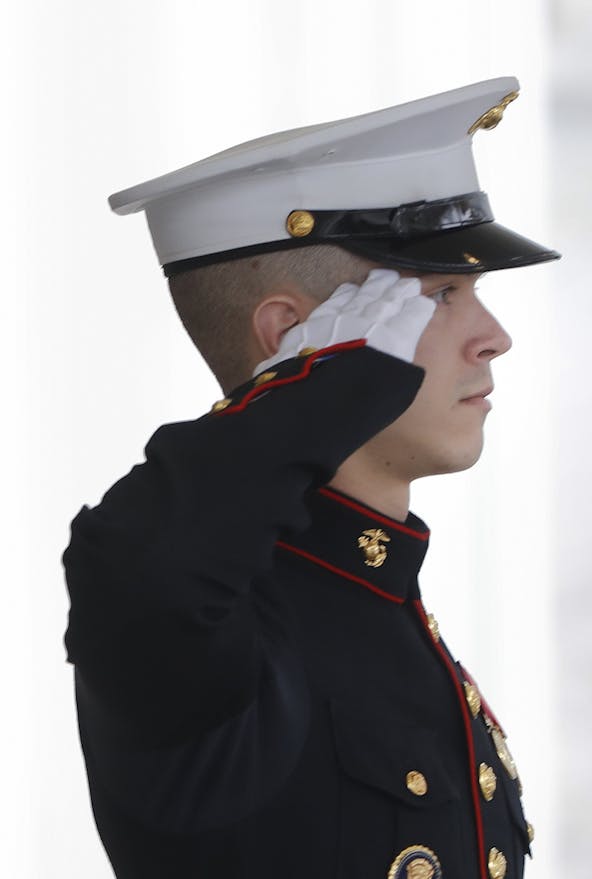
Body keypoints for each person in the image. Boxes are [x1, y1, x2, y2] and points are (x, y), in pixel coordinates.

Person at [63, 78, 557, 879]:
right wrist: (320, 388)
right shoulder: (221, 624)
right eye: (440, 293)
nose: (493, 337)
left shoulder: (379, 601)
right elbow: (133, 562)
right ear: (298, 340)